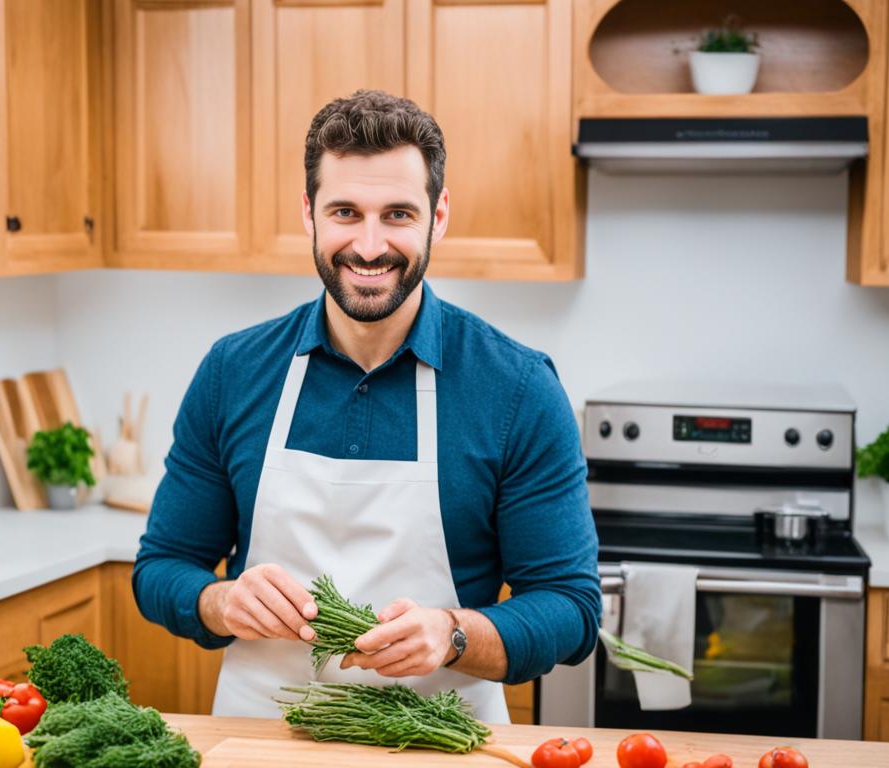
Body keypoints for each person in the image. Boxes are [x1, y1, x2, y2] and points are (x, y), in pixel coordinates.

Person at [134, 90, 600, 722]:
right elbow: (162, 567)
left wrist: (453, 633)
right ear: (310, 214)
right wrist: (220, 602)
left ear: (438, 217)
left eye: (399, 214)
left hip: (443, 742)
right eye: (346, 212)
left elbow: (571, 608)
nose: (371, 245)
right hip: (263, 738)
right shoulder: (234, 371)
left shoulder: (517, 388)